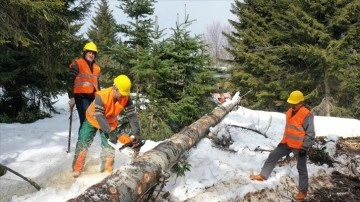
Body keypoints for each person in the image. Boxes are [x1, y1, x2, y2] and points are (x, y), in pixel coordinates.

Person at [72, 75, 142, 178]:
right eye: (121, 94)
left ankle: (106, 174)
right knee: (83, 142)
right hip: (92, 120)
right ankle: (76, 171)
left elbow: (132, 115)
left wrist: (137, 133)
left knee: (109, 149)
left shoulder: (126, 98)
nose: (123, 96)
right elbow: (99, 115)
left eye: (124, 94)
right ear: (115, 88)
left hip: (109, 123)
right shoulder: (102, 95)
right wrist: (110, 132)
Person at [250, 90, 315, 200]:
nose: (292, 105)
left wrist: (305, 147)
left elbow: (311, 133)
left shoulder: (306, 114)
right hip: (287, 142)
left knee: (301, 168)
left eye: (294, 103)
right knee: (273, 156)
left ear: (301, 103)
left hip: (300, 146)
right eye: (291, 103)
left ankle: (303, 192)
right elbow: (290, 128)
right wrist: (283, 141)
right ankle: (263, 175)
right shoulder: (289, 111)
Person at [67, 42, 101, 129]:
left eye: (93, 53)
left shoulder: (96, 67)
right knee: (85, 121)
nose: (91, 55)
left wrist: (100, 97)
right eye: (89, 52)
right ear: (85, 53)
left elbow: (97, 84)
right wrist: (71, 97)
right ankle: (82, 142)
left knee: (93, 122)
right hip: (81, 97)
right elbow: (70, 80)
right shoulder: (77, 64)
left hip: (93, 98)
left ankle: (87, 141)